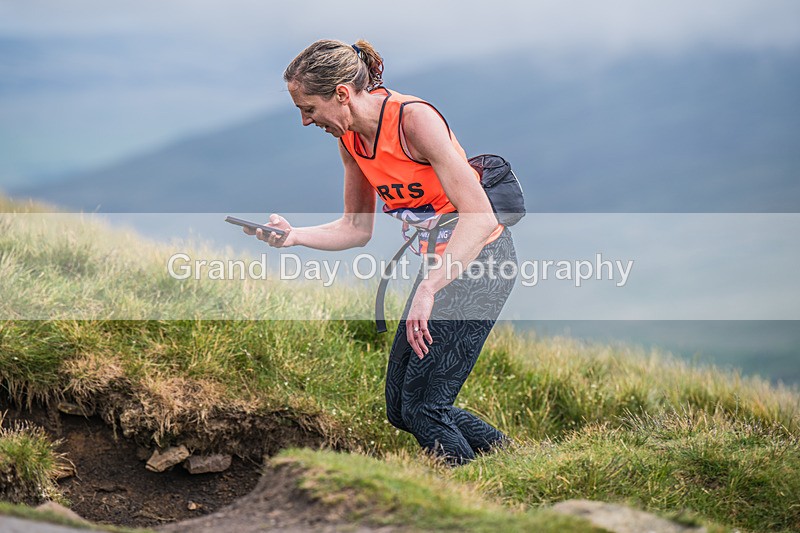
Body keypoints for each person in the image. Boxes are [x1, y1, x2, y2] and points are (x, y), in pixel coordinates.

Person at [244, 38, 517, 466]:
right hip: (439, 268)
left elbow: (479, 217)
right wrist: (293, 236)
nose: (304, 121)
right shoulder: (351, 141)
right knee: (401, 409)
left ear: (341, 94)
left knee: (426, 408)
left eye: (308, 108)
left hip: (481, 261)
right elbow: (355, 228)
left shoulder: (414, 121)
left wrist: (429, 288)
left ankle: (481, 499)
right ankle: (515, 463)